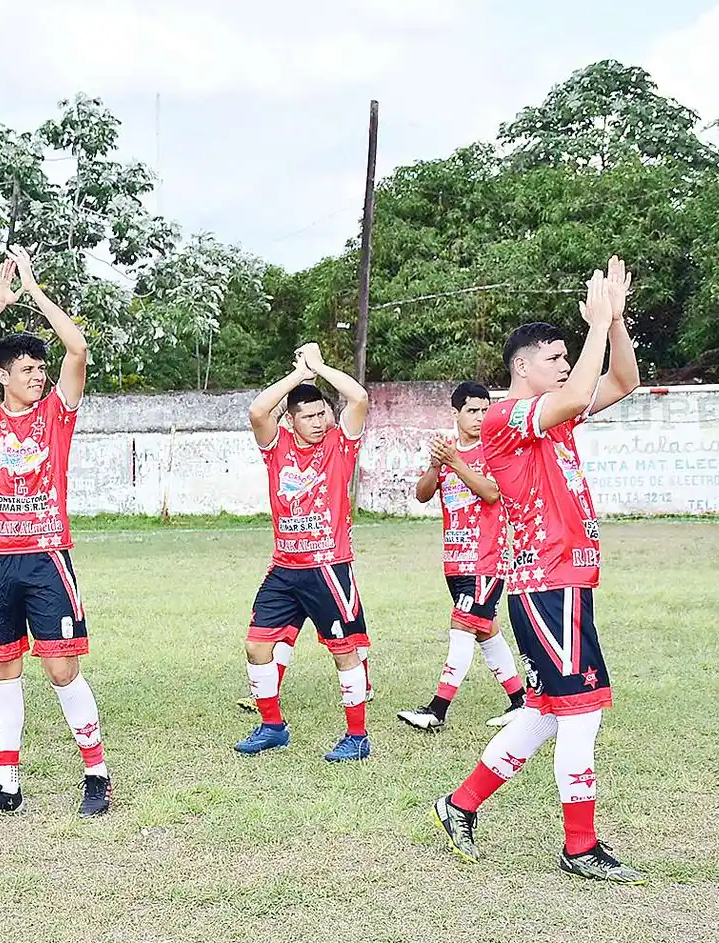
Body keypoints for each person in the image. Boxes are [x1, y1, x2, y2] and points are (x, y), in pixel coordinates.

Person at [434, 258, 645, 884]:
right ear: (522, 365)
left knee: (554, 709)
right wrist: (596, 323)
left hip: (567, 582)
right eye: (552, 356)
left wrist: (617, 321)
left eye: (565, 355)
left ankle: (459, 803)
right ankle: (579, 846)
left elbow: (622, 381)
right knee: (582, 709)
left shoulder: (557, 415)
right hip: (542, 583)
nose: (563, 365)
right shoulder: (504, 418)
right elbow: (580, 389)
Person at [0, 248, 110, 819]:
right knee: (2, 669)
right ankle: (5, 783)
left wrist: (36, 291)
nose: (38, 377)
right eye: (27, 370)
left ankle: (96, 773)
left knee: (61, 668)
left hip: (46, 558)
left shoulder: (56, 416)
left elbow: (78, 349)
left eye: (41, 370)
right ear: (4, 377)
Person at [237, 342, 373, 762]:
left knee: (344, 651)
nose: (318, 422)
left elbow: (360, 398)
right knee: (257, 646)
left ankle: (357, 736)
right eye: (309, 416)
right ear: (291, 421)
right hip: (284, 568)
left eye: (322, 414)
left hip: (329, 567)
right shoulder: (277, 446)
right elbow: (259, 411)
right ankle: (272, 726)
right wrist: (299, 376)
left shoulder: (340, 444)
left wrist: (320, 368)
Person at [399, 382, 525, 732]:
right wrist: (436, 466)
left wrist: (455, 462)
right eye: (472, 410)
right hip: (455, 562)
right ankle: (521, 700)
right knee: (486, 631)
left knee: (463, 626)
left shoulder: (494, 450)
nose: (480, 418)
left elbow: (491, 492)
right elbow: (423, 495)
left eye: (485, 410)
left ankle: (437, 710)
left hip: (486, 560)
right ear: (455, 413)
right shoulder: (447, 451)